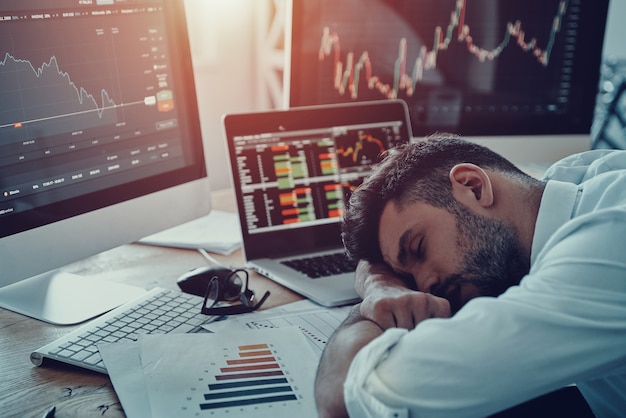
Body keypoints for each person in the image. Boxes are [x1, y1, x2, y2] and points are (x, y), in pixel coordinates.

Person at [315, 134, 626, 417]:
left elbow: (348, 397)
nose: (425, 285)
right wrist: (377, 277)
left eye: (419, 247)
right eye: (408, 279)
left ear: (474, 186)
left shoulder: (606, 245)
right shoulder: (578, 181)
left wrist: (374, 293)